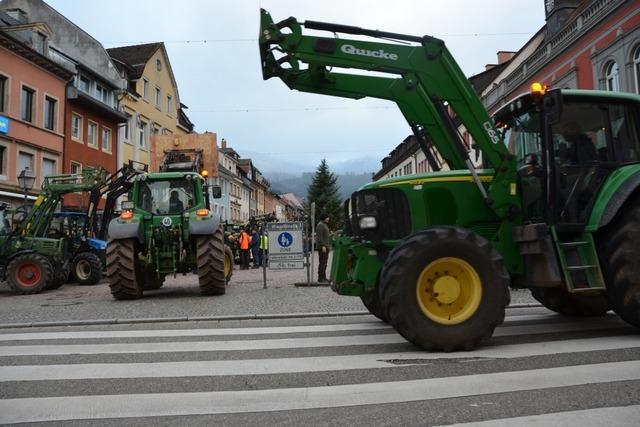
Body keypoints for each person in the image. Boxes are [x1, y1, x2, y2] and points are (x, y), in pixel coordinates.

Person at [316, 213, 331, 283]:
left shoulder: (324, 225)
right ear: (324, 218)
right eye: (327, 217)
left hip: (326, 247)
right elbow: (319, 238)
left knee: (325, 262)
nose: (328, 219)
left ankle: (324, 277)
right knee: (322, 262)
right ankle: (320, 278)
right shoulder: (320, 225)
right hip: (323, 247)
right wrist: (323, 246)